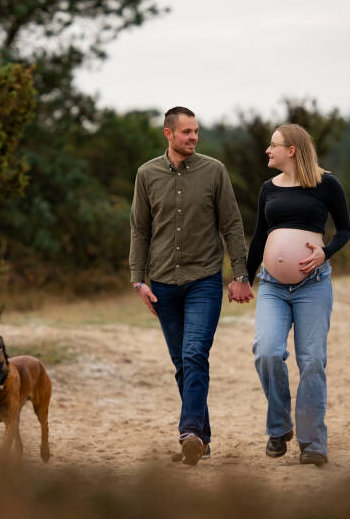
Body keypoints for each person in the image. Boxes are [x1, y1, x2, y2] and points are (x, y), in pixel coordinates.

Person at [129, 106, 254, 466]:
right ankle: (203, 437)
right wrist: (138, 280)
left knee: (195, 353)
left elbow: (232, 224)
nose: (193, 137)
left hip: (204, 281)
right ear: (168, 134)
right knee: (182, 364)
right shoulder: (146, 174)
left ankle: (189, 433)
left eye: (196, 131)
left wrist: (241, 275)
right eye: (186, 132)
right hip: (163, 284)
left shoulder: (214, 171)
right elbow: (139, 229)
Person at [245, 123, 350, 467]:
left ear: (291, 150)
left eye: (273, 145)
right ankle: (280, 428)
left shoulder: (326, 184)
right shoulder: (267, 189)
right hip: (273, 287)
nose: (267, 150)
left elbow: (345, 228)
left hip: (314, 285)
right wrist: (243, 278)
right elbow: (260, 237)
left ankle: (312, 443)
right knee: (267, 352)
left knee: (312, 362)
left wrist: (326, 252)